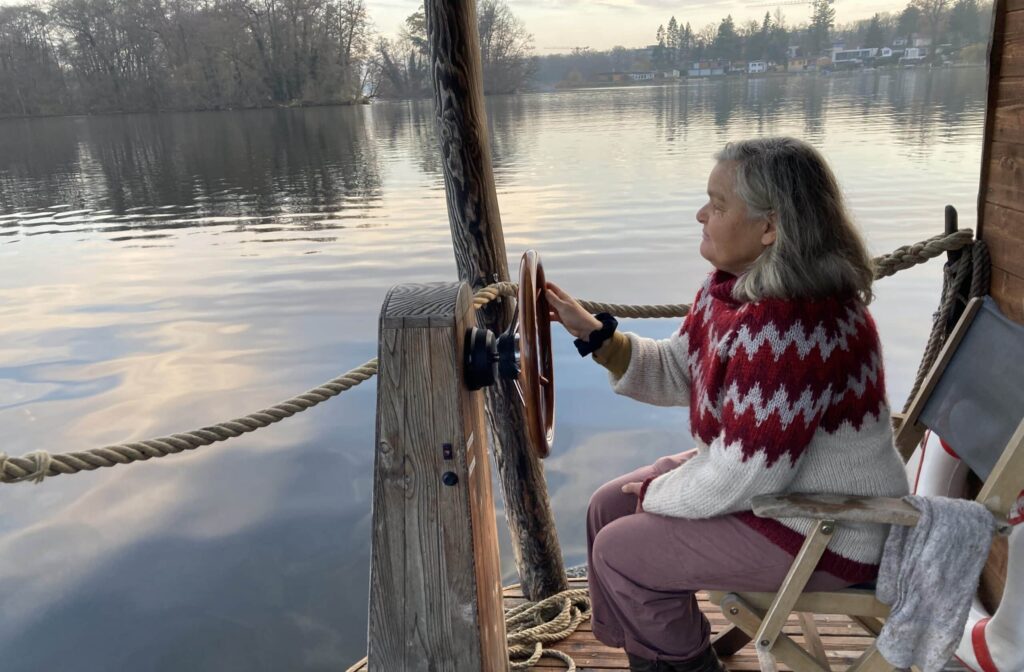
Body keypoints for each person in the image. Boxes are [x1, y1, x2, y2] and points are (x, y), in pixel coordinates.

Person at [545, 137, 910, 672]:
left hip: (828, 528)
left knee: (622, 550)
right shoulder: (735, 291)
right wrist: (597, 336)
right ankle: (648, 651)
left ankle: (680, 664)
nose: (701, 214)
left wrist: (653, 493)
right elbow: (677, 372)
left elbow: (746, 474)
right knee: (607, 506)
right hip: (787, 494)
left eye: (717, 205)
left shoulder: (793, 327)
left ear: (771, 227)